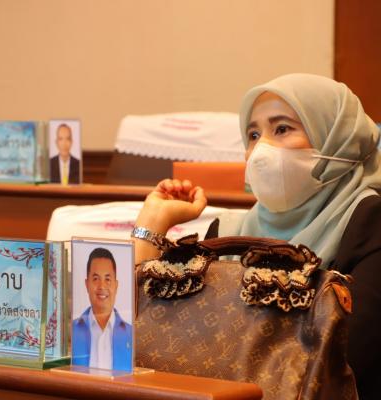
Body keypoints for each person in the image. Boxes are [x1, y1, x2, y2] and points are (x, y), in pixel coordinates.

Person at [132, 73, 381, 399]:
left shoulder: (369, 221)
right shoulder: (230, 233)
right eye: (253, 134)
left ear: (337, 139)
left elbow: (345, 360)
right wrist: (151, 224)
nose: (261, 148)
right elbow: (135, 333)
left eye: (282, 129)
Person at [72, 247, 132, 371]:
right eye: (96, 279)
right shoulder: (70, 332)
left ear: (116, 285)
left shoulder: (131, 334)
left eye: (107, 279)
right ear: (87, 284)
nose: (102, 286)